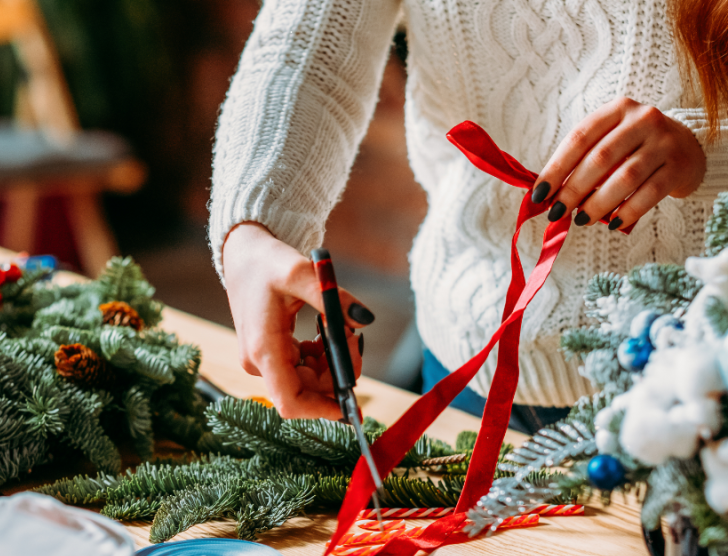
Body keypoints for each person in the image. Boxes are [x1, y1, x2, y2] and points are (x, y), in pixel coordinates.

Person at [208, 0, 728, 432]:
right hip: (466, 358)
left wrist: (708, 153)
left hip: (698, 373)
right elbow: (304, 51)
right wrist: (254, 229)